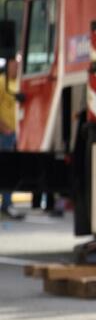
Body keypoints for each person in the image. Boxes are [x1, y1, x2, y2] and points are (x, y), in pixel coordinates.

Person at [0, 55, 23, 221]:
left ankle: (7, 204)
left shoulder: (19, 84)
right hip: (5, 133)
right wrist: (4, 128)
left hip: (18, 133)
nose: (17, 68)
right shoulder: (2, 83)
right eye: (14, 65)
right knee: (5, 169)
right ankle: (6, 204)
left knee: (11, 169)